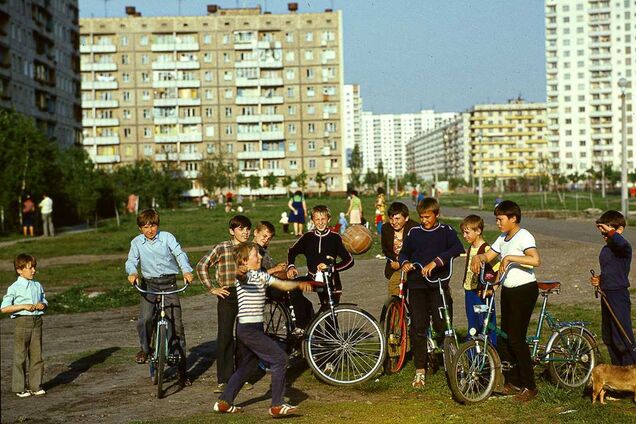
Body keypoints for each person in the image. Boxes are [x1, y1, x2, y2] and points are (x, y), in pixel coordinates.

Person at [214, 242, 313, 416]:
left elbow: (283, 285)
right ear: (244, 261)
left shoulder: (262, 275)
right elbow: (239, 275)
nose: (260, 257)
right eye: (255, 255)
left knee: (247, 366)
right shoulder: (246, 276)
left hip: (256, 329)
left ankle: (224, 402)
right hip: (248, 329)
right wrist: (240, 271)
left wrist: (299, 285)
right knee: (280, 359)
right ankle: (277, 405)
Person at [470, 200, 541, 402]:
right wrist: (478, 258)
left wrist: (509, 258)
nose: (498, 223)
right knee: (506, 336)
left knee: (517, 338)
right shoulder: (502, 238)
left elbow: (535, 260)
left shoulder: (523, 236)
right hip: (509, 291)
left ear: (513, 218)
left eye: (501, 219)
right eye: (497, 219)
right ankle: (514, 381)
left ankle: (530, 386)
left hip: (525, 290)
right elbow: (489, 255)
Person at [399, 197, 464, 389]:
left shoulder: (445, 231)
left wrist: (436, 261)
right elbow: (404, 253)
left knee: (441, 324)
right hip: (417, 286)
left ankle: (450, 362)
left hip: (438, 286)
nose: (424, 220)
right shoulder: (414, 232)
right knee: (418, 328)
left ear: (436, 215)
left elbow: (457, 248)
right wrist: (404, 262)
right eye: (421, 217)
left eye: (427, 217)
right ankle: (420, 369)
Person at [125, 209, 194, 387]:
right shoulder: (137, 242)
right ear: (140, 228)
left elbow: (179, 253)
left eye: (153, 225)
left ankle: (182, 372)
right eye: (145, 227)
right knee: (145, 318)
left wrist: (186, 270)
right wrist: (132, 272)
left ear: (158, 225)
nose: (150, 230)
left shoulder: (167, 237)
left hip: (169, 283)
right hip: (150, 285)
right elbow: (131, 260)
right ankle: (145, 349)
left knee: (177, 326)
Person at [196, 215, 252, 393]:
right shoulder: (222, 247)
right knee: (225, 336)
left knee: (244, 337)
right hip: (227, 294)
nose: (245, 232)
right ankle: (225, 379)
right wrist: (212, 288)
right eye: (241, 229)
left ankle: (243, 377)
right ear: (231, 231)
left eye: (247, 229)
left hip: (247, 294)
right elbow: (202, 265)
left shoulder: (252, 249)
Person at [590, 210, 636, 365]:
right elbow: (611, 270)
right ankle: (617, 373)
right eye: (603, 231)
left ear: (620, 230)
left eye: (608, 230)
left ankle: (630, 371)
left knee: (622, 337)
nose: (605, 234)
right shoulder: (606, 249)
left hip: (618, 295)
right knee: (608, 336)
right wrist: (600, 279)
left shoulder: (624, 248)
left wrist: (610, 231)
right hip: (606, 294)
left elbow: (620, 242)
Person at [287, 205, 354, 308]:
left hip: (330, 281)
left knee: (329, 314)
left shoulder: (335, 238)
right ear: (312, 220)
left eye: (323, 219)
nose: (320, 222)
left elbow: (349, 260)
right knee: (292, 288)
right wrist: (291, 266)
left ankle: (326, 317)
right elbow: (292, 251)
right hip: (311, 278)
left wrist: (331, 268)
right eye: (317, 219)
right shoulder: (307, 237)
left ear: (329, 219)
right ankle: (306, 319)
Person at [1, 253, 48, 397]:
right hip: (22, 322)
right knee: (20, 355)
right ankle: (19, 387)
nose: (33, 270)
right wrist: (23, 306)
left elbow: (45, 301)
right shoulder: (14, 287)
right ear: (19, 270)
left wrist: (42, 305)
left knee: (37, 355)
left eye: (34, 267)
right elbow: (4, 308)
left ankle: (35, 385)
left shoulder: (37, 285)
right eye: (29, 268)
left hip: (37, 322)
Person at [255, 221, 314, 332]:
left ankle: (311, 332)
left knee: (306, 303)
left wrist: (286, 272)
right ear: (255, 233)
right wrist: (276, 269)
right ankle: (300, 327)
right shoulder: (253, 250)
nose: (266, 239)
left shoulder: (263, 250)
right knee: (295, 292)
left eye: (269, 238)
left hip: (272, 283)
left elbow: (273, 272)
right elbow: (255, 274)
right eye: (264, 236)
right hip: (264, 288)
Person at [460, 215, 499, 345]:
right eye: (463, 232)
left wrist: (493, 288)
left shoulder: (486, 250)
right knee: (472, 322)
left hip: (481, 294)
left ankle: (491, 351)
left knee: (485, 322)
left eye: (467, 232)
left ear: (478, 231)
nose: (464, 236)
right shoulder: (471, 247)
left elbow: (498, 268)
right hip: (469, 291)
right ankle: (473, 353)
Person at [381, 202, 418, 299]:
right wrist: (395, 258)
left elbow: (417, 250)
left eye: (397, 218)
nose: (394, 222)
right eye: (391, 218)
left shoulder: (414, 228)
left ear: (406, 218)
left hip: (412, 264)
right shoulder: (386, 228)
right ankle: (395, 311)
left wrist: (402, 262)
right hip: (395, 266)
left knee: (415, 293)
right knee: (395, 291)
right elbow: (385, 250)